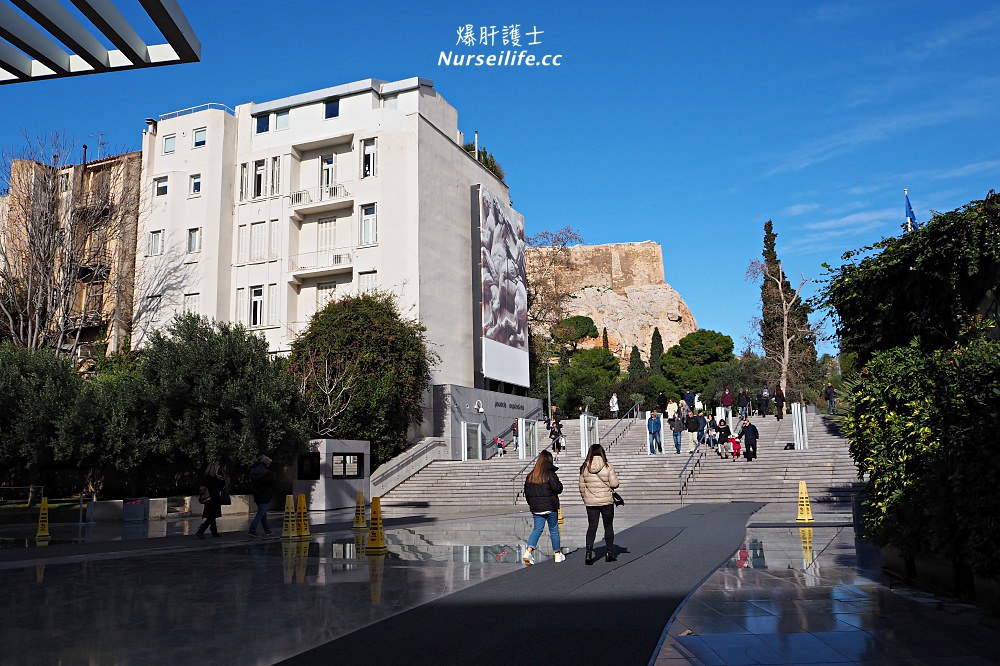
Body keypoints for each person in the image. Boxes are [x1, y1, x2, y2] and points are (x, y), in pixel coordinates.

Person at [578, 443, 620, 565]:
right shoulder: (608, 466)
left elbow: (581, 486)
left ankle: (589, 553)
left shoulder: (584, 467)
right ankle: (609, 552)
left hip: (591, 502)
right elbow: (614, 484)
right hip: (606, 501)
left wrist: (585, 497)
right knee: (608, 526)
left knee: (592, 527)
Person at [522, 449, 564, 565]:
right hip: (550, 507)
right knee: (554, 530)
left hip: (537, 509)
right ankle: (557, 554)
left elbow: (527, 492)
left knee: (537, 529)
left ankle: (528, 551)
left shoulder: (531, 475)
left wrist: (532, 505)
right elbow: (557, 489)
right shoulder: (550, 474)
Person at [196, 463, 228, 539]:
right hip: (214, 499)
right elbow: (222, 485)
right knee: (212, 516)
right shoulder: (215, 478)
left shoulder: (206, 477)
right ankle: (201, 530)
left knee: (212, 516)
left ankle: (214, 531)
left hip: (208, 499)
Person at [248, 455, 275, 538]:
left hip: (257, 494)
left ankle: (267, 531)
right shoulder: (267, 473)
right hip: (264, 495)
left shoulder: (253, 471)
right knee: (260, 513)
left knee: (263, 513)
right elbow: (272, 483)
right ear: (266, 463)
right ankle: (252, 530)